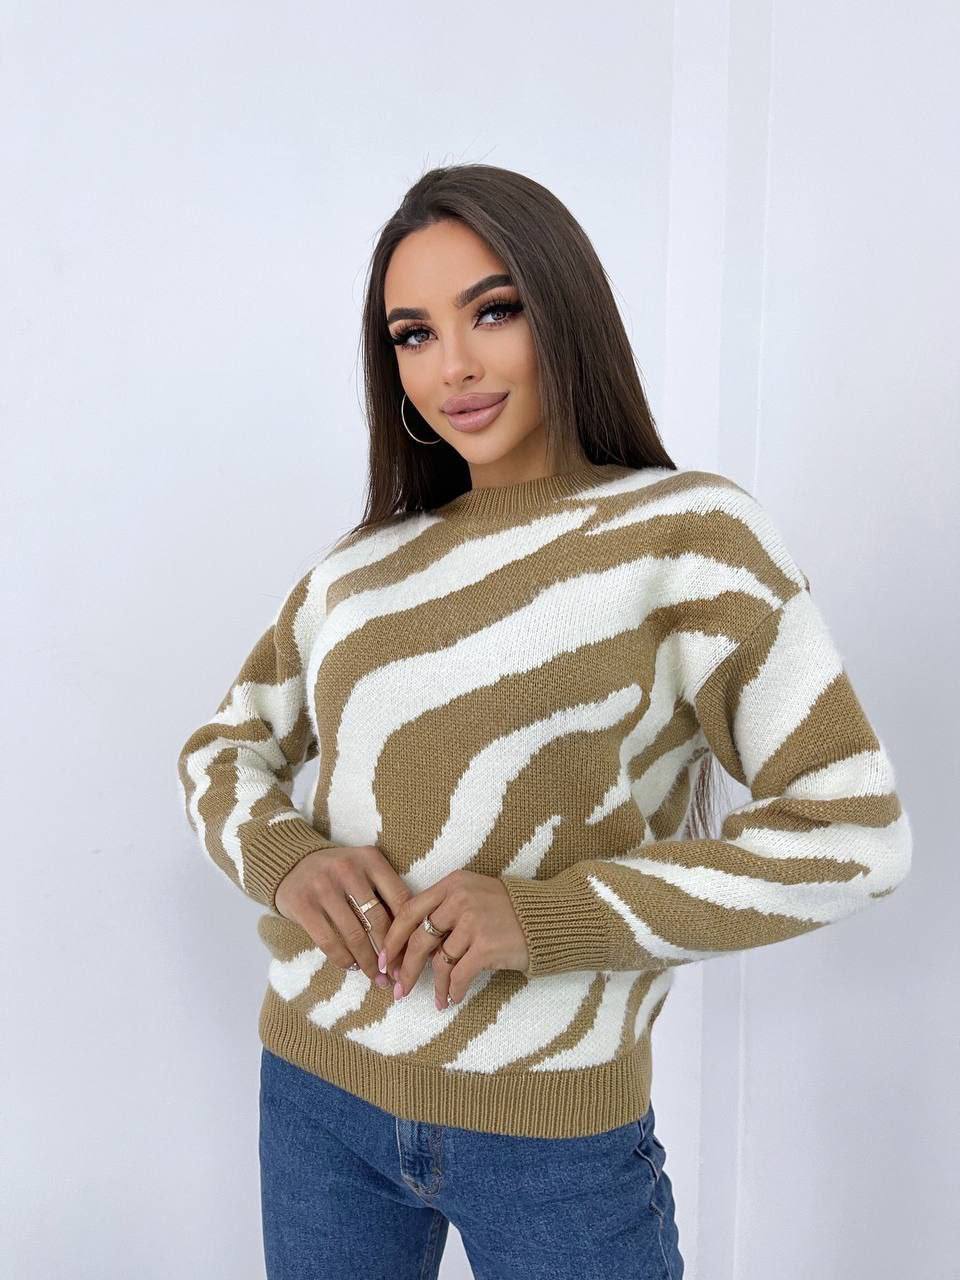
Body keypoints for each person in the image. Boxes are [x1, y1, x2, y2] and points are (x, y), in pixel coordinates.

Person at [176, 163, 912, 1280]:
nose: (453, 365)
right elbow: (223, 746)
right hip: (319, 1094)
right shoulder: (364, 567)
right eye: (412, 334)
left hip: (553, 1129)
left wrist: (546, 917)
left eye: (493, 310)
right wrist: (286, 861)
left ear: (561, 306)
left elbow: (855, 835)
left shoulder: (689, 535)